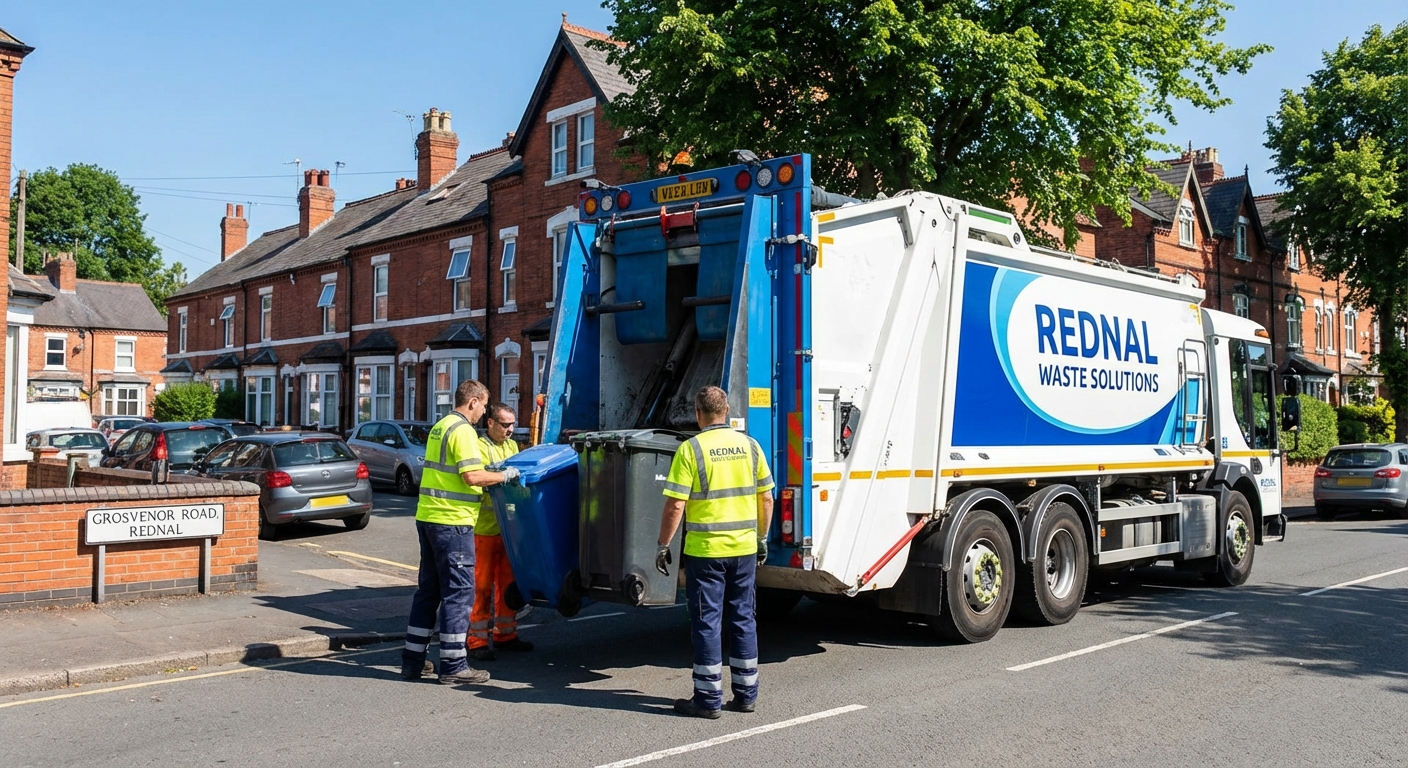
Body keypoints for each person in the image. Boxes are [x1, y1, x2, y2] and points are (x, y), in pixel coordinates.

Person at [655, 385, 775, 718]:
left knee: (708, 622)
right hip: (744, 549)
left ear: (698, 414)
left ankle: (708, 700)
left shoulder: (691, 449)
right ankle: (746, 696)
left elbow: (676, 504)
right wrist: (761, 538)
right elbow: (767, 498)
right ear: (727, 411)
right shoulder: (751, 446)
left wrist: (664, 544)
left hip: (706, 552)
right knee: (743, 618)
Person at [402, 379, 520, 685]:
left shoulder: (440, 426)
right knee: (459, 593)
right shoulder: (464, 431)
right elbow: (472, 476)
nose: (483, 412)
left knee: (429, 592)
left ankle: (413, 661)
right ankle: (454, 664)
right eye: (484, 405)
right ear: (473, 401)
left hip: (428, 517)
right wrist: (504, 476)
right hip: (453, 522)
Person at [468, 402, 534, 660]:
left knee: (508, 584)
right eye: (505, 425)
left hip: (507, 529)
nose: (510, 430)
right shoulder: (479, 446)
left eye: (512, 425)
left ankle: (505, 634)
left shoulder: (512, 446)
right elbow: (483, 480)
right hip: (484, 528)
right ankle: (476, 641)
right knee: (481, 587)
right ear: (491, 423)